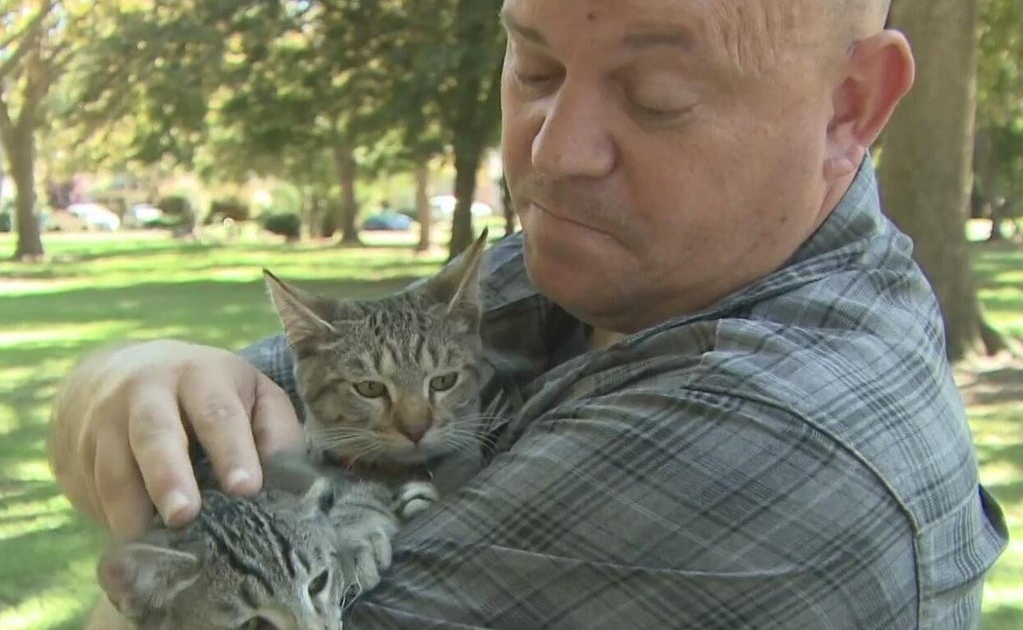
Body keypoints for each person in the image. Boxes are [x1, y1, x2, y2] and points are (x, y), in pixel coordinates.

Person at [51, 0, 1010, 627]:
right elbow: (166, 438)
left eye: (657, 96)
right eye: (535, 67)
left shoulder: (773, 432)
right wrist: (119, 380)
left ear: (849, 105)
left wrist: (156, 561)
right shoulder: (595, 264)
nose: (554, 153)